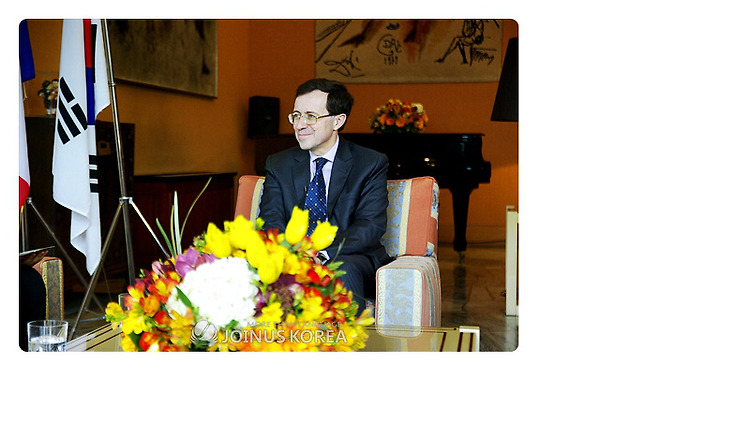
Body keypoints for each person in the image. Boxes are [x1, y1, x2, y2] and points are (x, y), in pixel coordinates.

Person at [259, 78, 392, 314]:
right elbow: (272, 220)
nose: (300, 125)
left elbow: (369, 226)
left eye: (311, 116)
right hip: (292, 254)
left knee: (343, 267)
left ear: (338, 121)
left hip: (349, 255)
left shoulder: (369, 163)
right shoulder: (278, 164)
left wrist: (321, 255)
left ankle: (345, 336)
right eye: (296, 116)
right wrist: (295, 257)